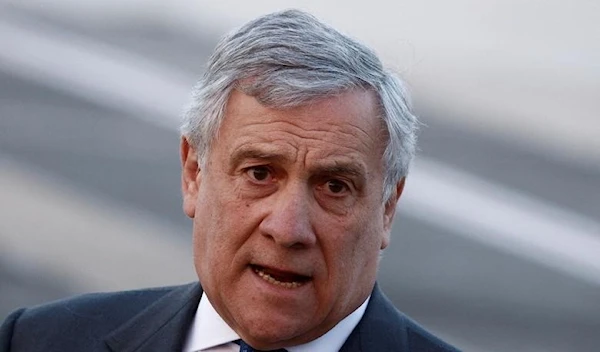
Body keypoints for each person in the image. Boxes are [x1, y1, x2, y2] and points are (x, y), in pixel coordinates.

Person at [0, 9, 459, 352]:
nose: (288, 228)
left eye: (334, 186)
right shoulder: (39, 341)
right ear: (194, 173)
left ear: (386, 209)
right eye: (259, 174)